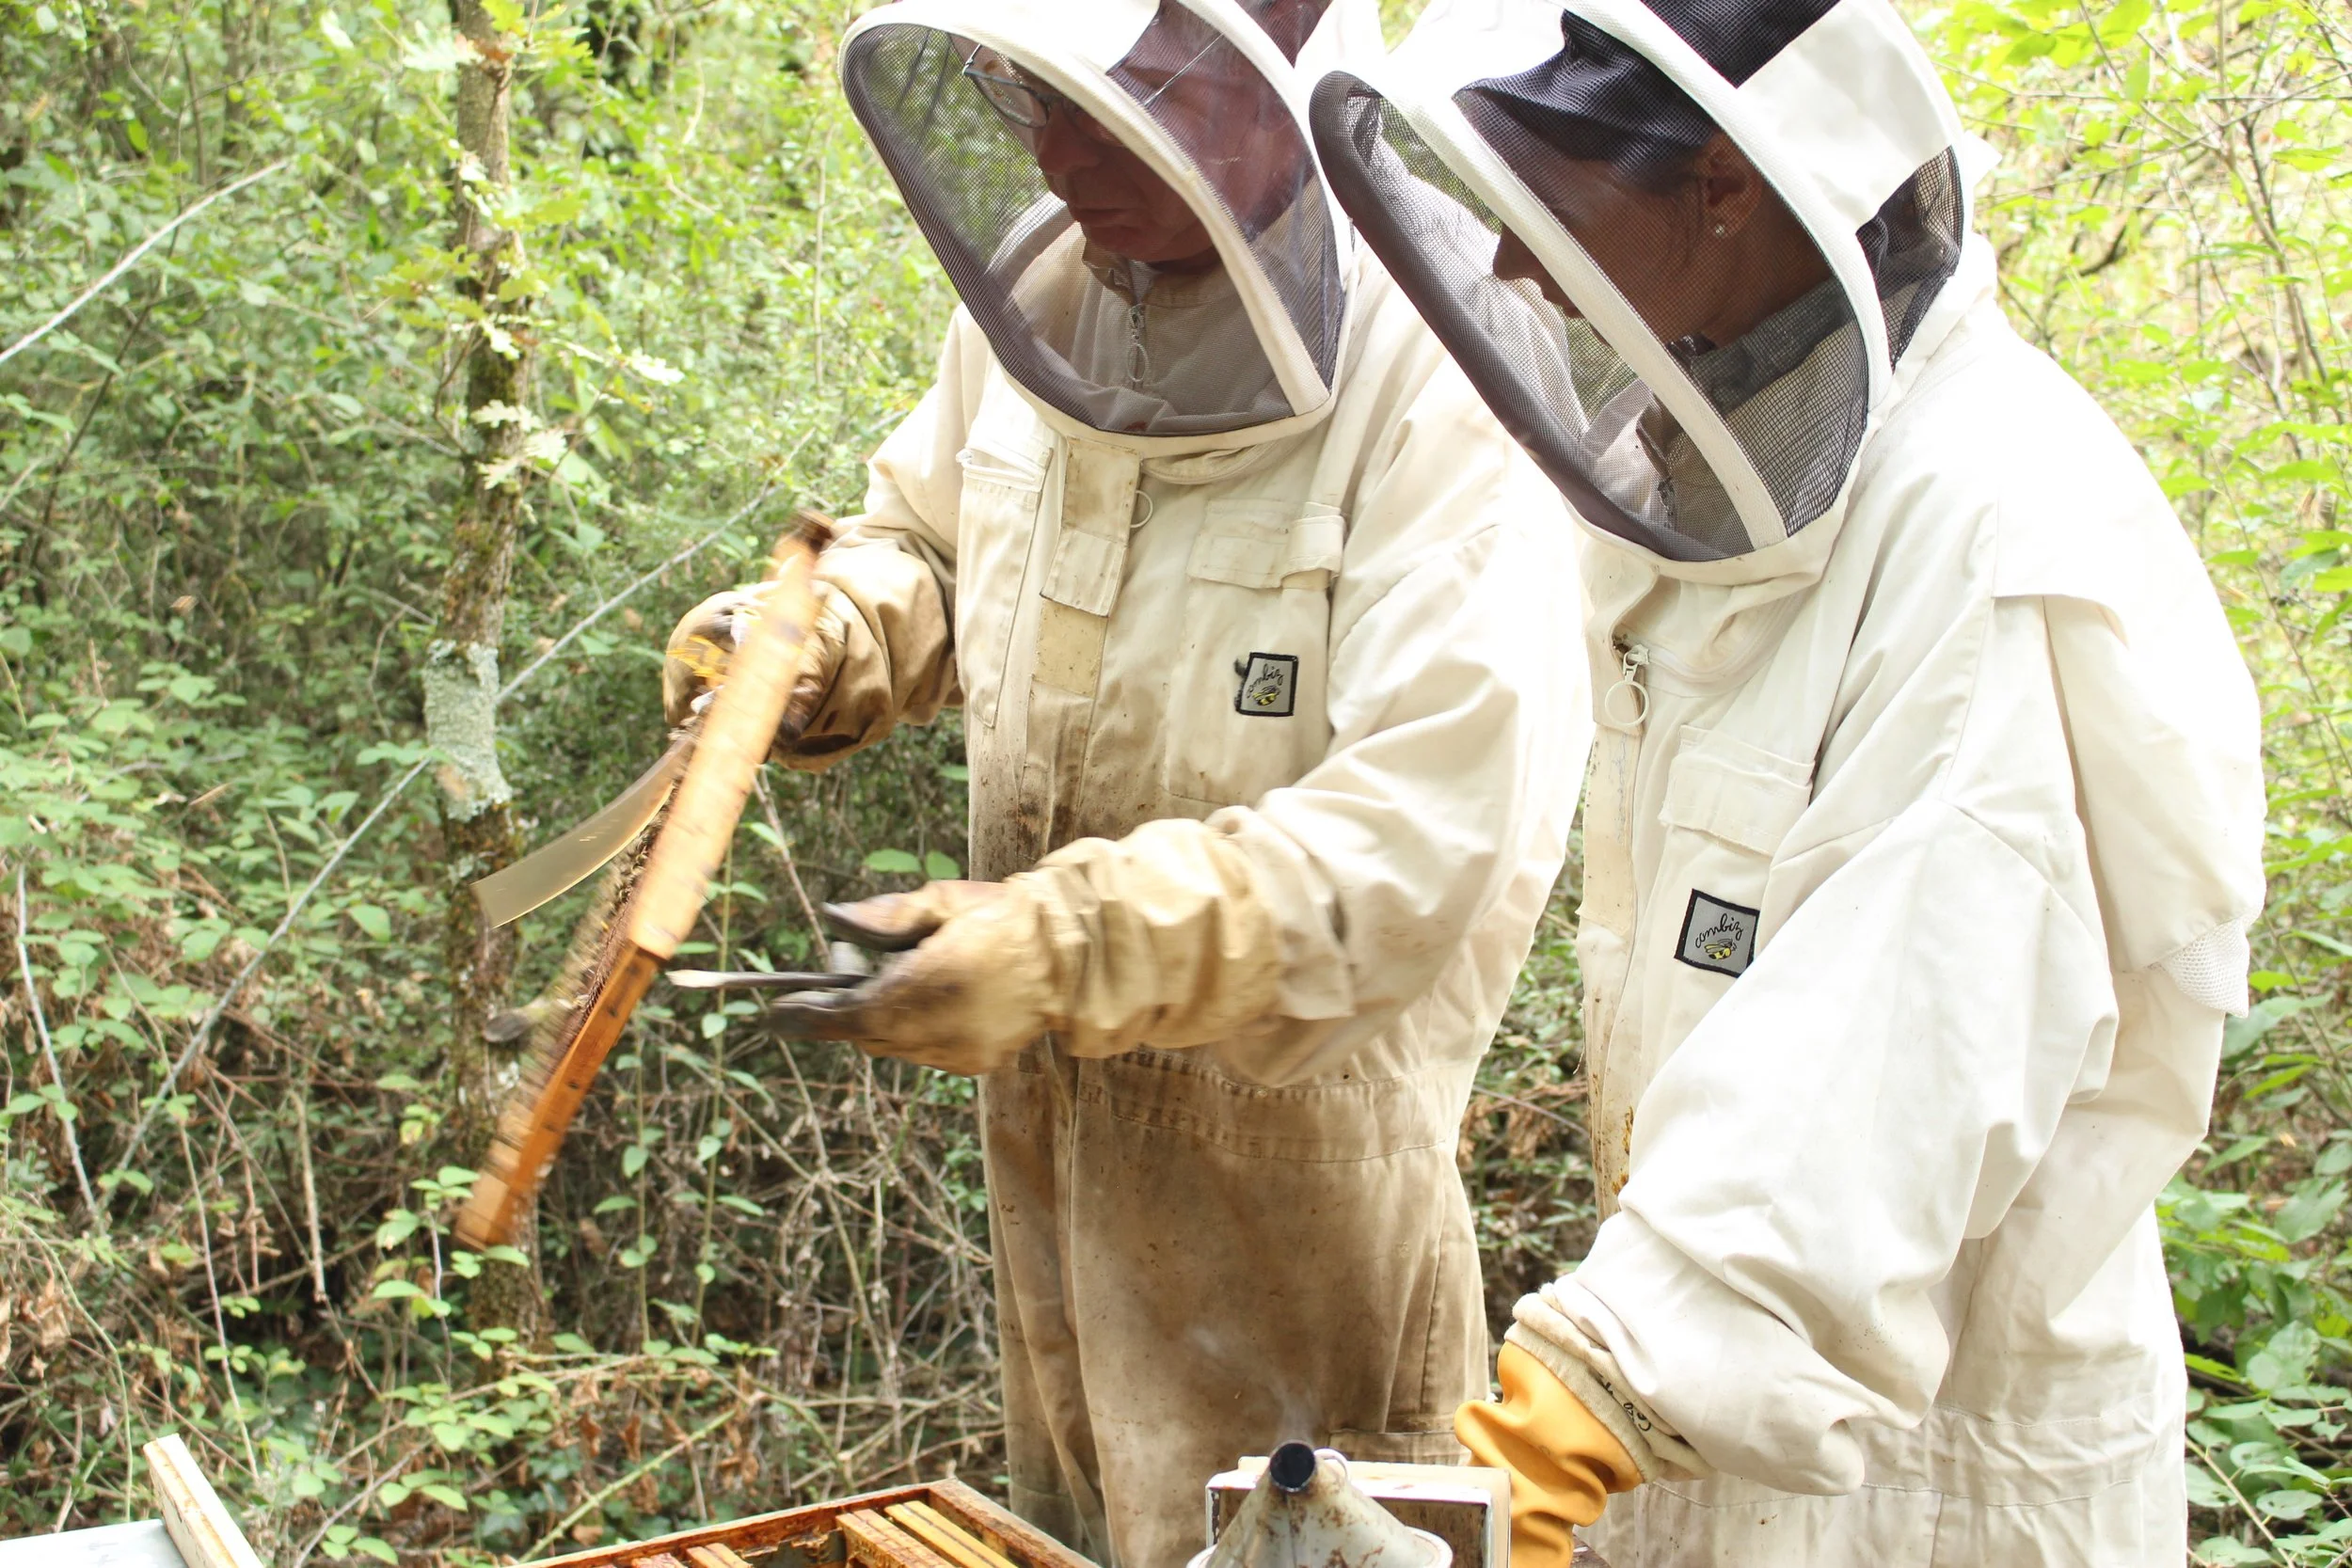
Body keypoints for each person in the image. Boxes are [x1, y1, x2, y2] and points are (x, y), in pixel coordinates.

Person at [1305, 1, 2267, 1562]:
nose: (1521, 267)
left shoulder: (1996, 535)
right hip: (1709, 1423)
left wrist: (1570, 1415)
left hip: (1934, 1491)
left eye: (1550, 198)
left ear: (1728, 182)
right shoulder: (1733, 458)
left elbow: (1880, 1067)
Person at [662, 4, 1591, 1563]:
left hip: (1306, 1215)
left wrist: (1068, 943)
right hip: (1052, 1182)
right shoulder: (1041, 289)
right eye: (1034, 95)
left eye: (1121, 101)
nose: (1060, 149)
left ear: (1285, 54)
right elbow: (935, 542)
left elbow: (1421, 847)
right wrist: (820, 637)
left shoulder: (1444, 377)